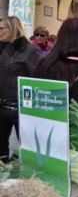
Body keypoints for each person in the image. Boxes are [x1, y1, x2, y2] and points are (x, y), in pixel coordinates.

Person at [0, 16, 40, 163]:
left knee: (26, 148)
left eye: (1, 28)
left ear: (11, 29)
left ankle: (22, 173)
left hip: (21, 109)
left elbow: (37, 79)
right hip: (2, 106)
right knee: (1, 147)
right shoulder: (3, 48)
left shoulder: (30, 51)